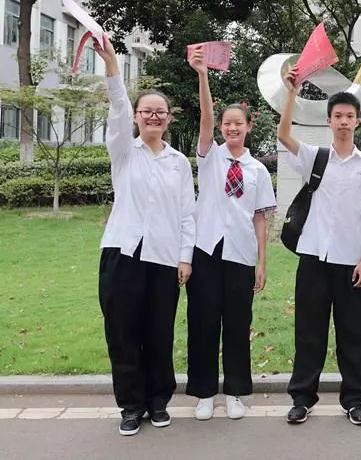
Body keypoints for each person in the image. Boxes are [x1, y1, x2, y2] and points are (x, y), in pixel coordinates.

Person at [95, 34, 195, 436]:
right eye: (146, 111)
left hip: (164, 259)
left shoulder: (179, 163)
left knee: (158, 332)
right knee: (123, 333)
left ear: (169, 119)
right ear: (137, 117)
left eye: (161, 112)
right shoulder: (123, 152)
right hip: (123, 255)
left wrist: (185, 257)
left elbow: (188, 215)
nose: (154, 117)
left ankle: (157, 401)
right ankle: (131, 406)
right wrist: (114, 70)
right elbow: (116, 110)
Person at [279, 66, 361, 426]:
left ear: (357, 122)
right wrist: (292, 93)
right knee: (309, 333)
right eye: (338, 115)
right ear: (329, 120)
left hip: (351, 261)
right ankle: (302, 398)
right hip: (313, 258)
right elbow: (283, 135)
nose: (343, 121)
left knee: (353, 334)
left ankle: (354, 400)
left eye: (349, 116)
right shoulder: (314, 157)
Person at [185, 46, 277, 421]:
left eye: (238, 123)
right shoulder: (209, 158)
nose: (232, 128)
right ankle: (205, 393)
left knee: (238, 326)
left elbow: (260, 218)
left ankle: (236, 392)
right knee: (203, 321)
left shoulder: (257, 171)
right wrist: (203, 75)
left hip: (240, 254)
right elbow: (205, 116)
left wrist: (261, 262)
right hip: (205, 250)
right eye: (227, 124)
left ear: (249, 126)